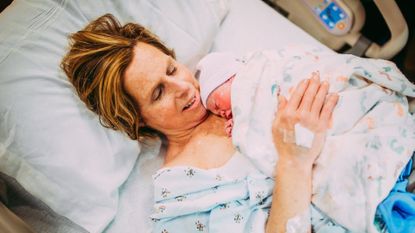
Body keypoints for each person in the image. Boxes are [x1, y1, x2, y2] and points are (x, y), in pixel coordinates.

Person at [60, 14, 340, 233]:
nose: (182, 86)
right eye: (158, 93)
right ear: (137, 120)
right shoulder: (181, 194)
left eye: (171, 68)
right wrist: (294, 161)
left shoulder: (233, 77)